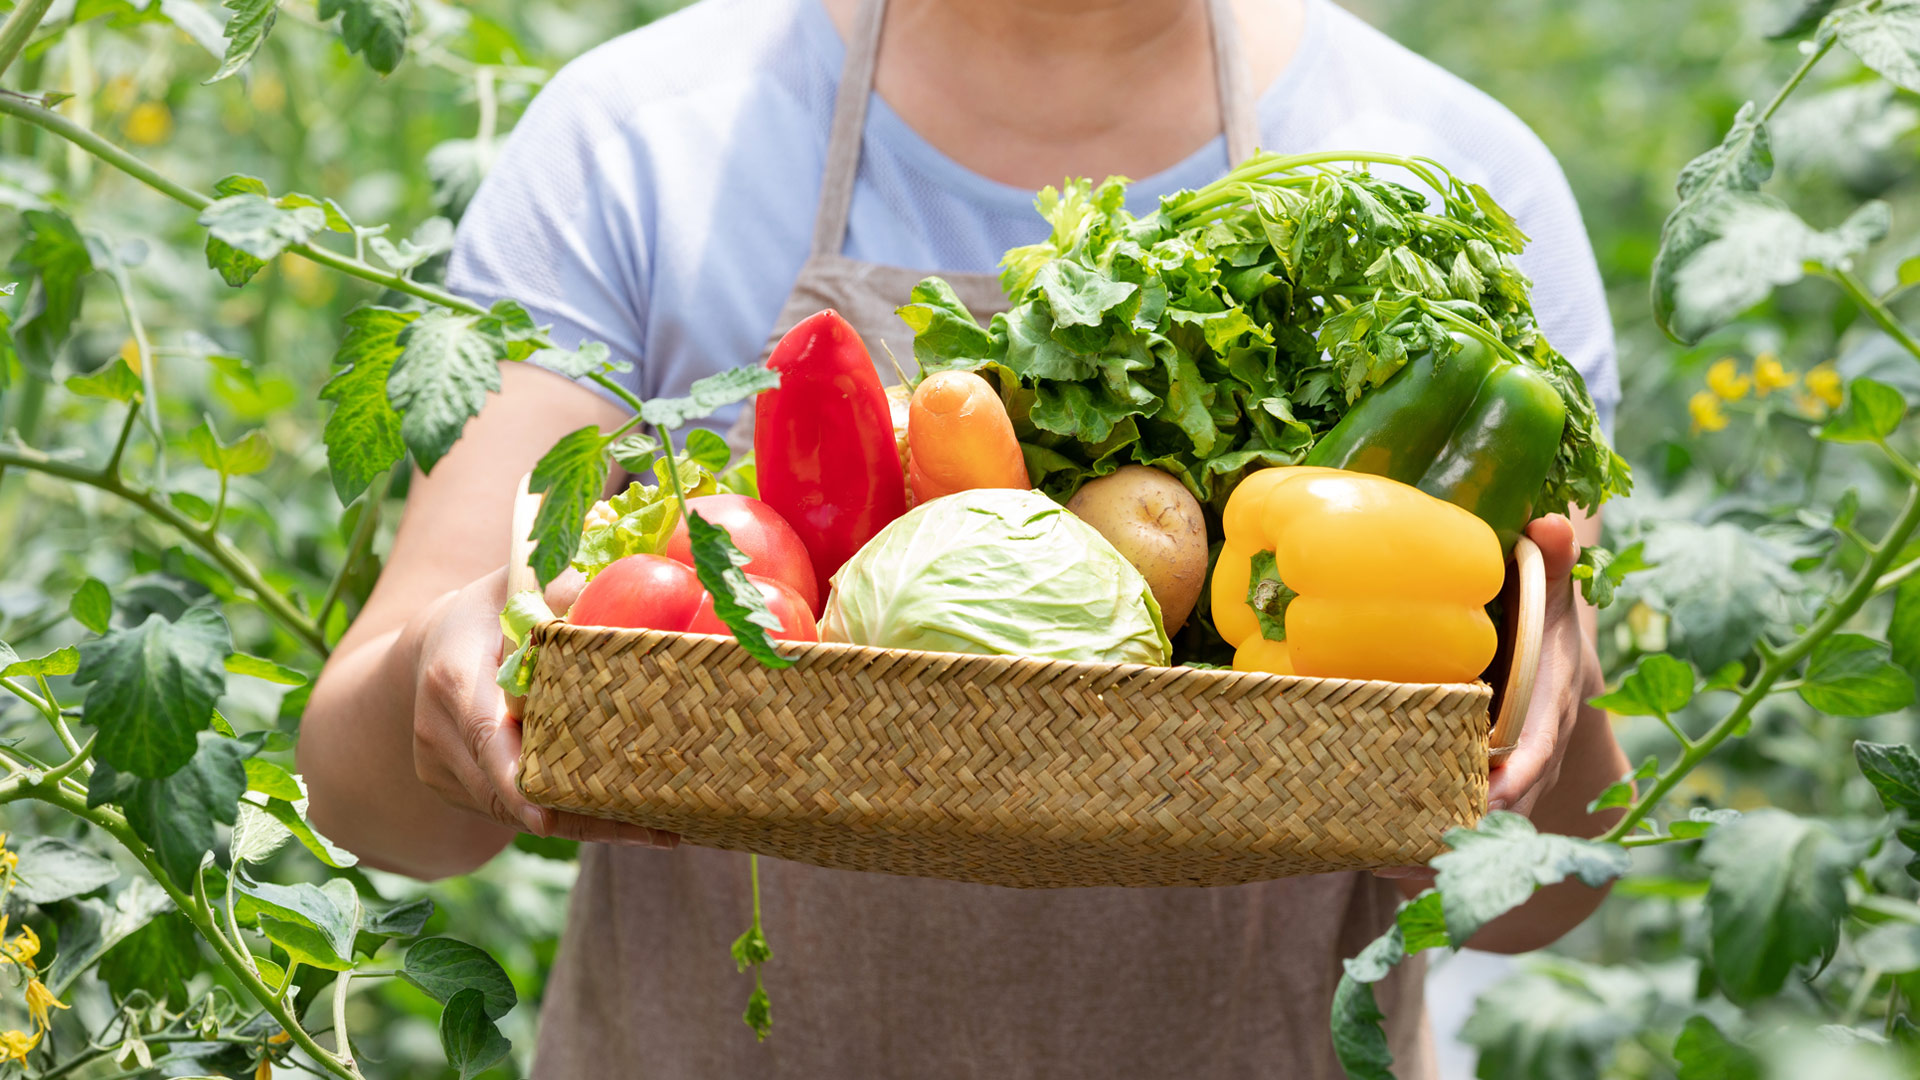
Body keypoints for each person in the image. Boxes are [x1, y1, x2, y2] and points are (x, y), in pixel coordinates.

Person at [297, 0, 1631, 1075]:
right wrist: (449, 676)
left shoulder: (1456, 180)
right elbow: (370, 806)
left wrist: (1534, 729)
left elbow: (1546, 898)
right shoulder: (644, 141)